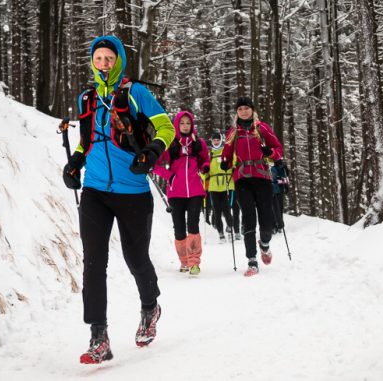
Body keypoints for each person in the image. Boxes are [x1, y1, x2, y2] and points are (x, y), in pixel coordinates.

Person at [62, 35, 174, 365]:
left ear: (119, 61)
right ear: (92, 62)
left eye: (109, 58)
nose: (104, 64)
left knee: (135, 258)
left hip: (133, 191)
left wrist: (153, 150)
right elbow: (86, 141)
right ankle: (99, 335)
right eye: (98, 59)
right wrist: (75, 163)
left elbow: (165, 126)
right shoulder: (87, 98)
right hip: (96, 190)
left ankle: (150, 306)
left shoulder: (136, 93)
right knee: (93, 262)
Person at [220, 96, 284, 277]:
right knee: (248, 218)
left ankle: (264, 244)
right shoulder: (233, 132)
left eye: (246, 108)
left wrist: (270, 152)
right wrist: (225, 162)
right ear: (237, 112)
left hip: (262, 177)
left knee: (266, 220)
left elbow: (278, 150)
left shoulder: (262, 128)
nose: (243, 111)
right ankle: (252, 260)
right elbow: (226, 153)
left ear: (252, 110)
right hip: (242, 179)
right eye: (240, 109)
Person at [152, 111, 210, 276]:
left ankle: (194, 263)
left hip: (195, 191)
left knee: (193, 224)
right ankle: (184, 261)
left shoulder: (198, 143)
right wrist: (169, 176)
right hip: (176, 192)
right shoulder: (171, 144)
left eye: (188, 123)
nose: (185, 126)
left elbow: (206, 160)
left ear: (192, 125)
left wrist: (205, 167)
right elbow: (155, 165)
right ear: (177, 125)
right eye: (182, 123)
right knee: (179, 228)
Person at [205, 131, 235, 242]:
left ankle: (230, 229)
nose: (216, 142)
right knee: (216, 212)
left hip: (226, 184)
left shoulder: (225, 151)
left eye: (218, 140)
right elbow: (204, 170)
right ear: (212, 141)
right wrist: (204, 172)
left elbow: (234, 161)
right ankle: (221, 234)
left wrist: (231, 167)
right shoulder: (209, 154)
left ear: (221, 140)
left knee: (227, 210)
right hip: (213, 186)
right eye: (214, 140)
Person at [270, 160, 289, 234]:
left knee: (279, 207)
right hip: (271, 186)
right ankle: (273, 226)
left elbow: (284, 175)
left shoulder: (279, 160)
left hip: (279, 187)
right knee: (272, 207)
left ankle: (279, 225)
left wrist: (286, 185)